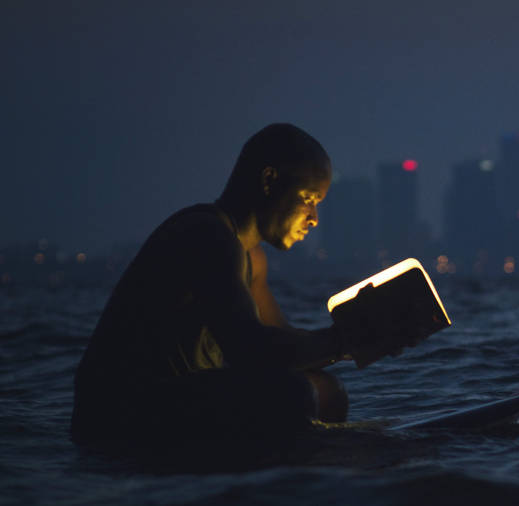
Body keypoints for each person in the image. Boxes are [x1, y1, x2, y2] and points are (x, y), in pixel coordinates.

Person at [71, 123, 364, 446]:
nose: (314, 218)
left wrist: (364, 337)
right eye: (308, 199)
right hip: (119, 415)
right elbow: (251, 350)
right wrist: (341, 341)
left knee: (328, 391)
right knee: (292, 393)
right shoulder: (208, 235)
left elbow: (283, 342)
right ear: (269, 181)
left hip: (173, 401)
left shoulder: (251, 257)